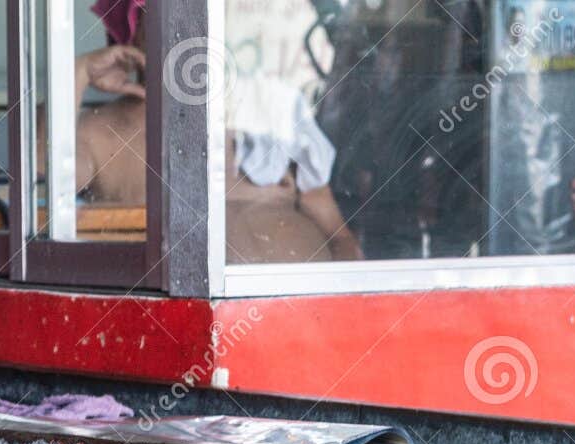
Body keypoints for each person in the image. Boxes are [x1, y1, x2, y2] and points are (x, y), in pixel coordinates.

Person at [68, 0, 362, 262]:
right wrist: (79, 73)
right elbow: (31, 172)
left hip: (310, 314)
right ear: (134, 33)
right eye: (171, 10)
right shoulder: (99, 133)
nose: (194, 27)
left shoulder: (271, 111)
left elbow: (340, 238)